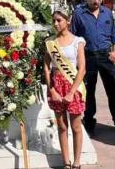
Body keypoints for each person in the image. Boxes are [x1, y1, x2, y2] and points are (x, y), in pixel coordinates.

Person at [71, 0, 115, 138]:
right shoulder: (79, 14)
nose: (96, 1)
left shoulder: (107, 13)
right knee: (88, 92)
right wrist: (77, 59)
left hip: (106, 57)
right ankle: (89, 122)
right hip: (88, 57)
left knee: (112, 91)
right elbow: (73, 37)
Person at [44, 10, 86, 169]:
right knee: (61, 126)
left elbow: (81, 69)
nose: (56, 23)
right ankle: (66, 162)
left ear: (68, 21)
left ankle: (76, 162)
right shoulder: (50, 42)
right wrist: (52, 90)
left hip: (73, 87)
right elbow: (46, 67)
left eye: (59, 20)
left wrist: (71, 92)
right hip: (56, 86)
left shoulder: (78, 41)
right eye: (54, 20)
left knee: (76, 127)